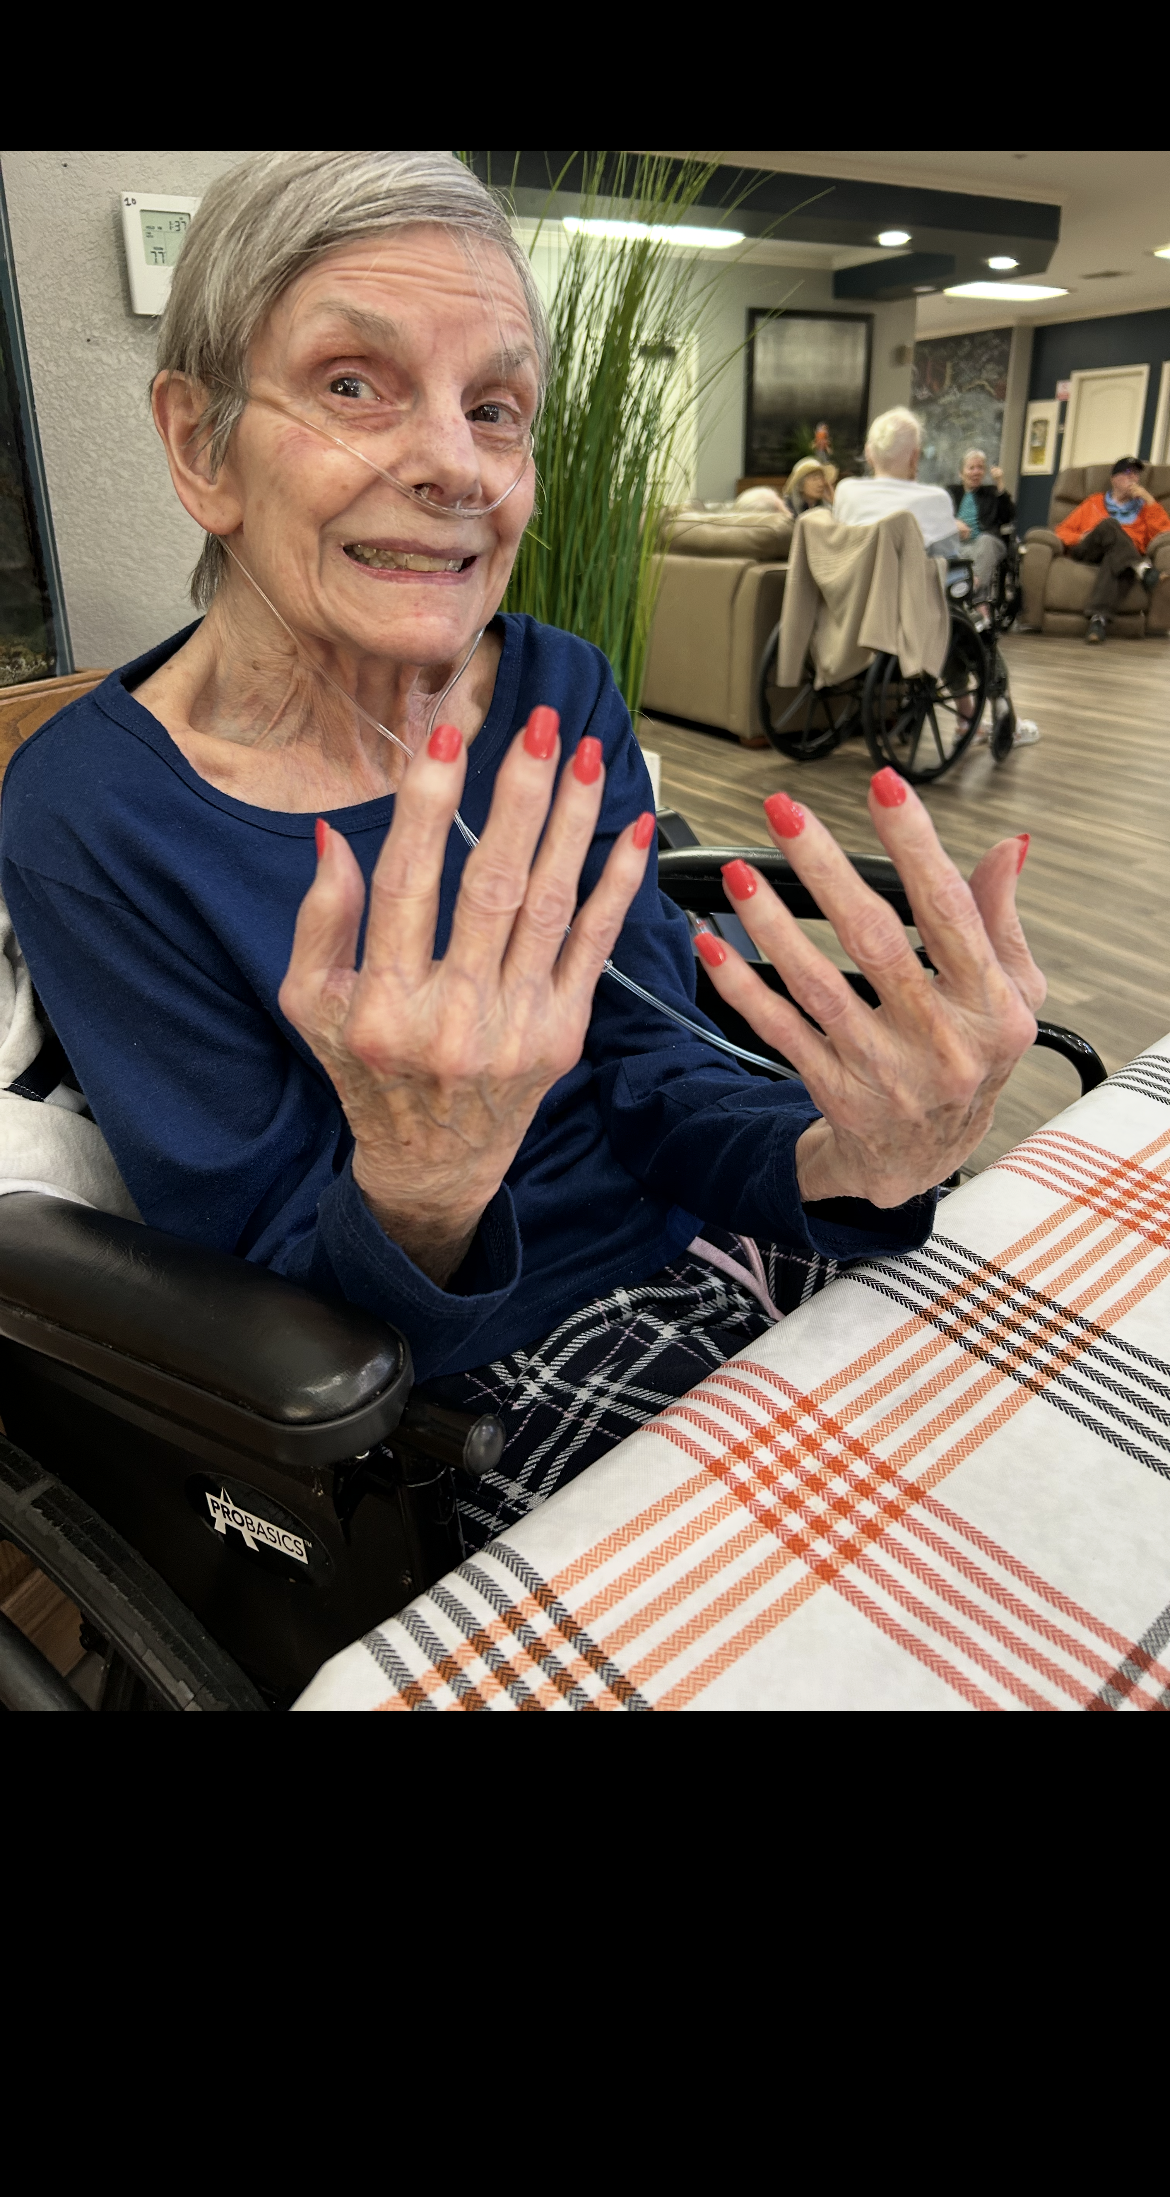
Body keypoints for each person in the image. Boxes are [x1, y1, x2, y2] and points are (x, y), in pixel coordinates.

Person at [0, 151, 1044, 1552]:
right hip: (477, 1381)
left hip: (720, 1236)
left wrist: (843, 1156)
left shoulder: (555, 692)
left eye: (495, 408)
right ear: (202, 447)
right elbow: (269, 1316)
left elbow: (659, 1071)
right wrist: (425, 1180)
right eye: (353, 383)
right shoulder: (94, 815)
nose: (453, 464)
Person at [1054, 456, 1170, 643]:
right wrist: (1081, 537)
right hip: (1089, 551)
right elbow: (1061, 531)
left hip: (1120, 557)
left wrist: (1149, 499)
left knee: (1114, 557)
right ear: (1114, 478)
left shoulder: (1145, 508)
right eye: (1127, 473)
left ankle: (1097, 622)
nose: (1134, 478)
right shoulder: (1094, 502)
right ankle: (1142, 569)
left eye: (1136, 475)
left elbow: (1164, 533)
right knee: (1109, 524)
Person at [831, 407, 962, 555]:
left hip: (856, 578)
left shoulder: (846, 491)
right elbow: (950, 569)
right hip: (910, 578)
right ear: (915, 456)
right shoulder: (936, 499)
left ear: (868, 453)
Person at [945, 449, 1015, 607]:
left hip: (986, 544)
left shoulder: (991, 493)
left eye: (980, 467)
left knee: (985, 541)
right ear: (961, 473)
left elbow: (1008, 516)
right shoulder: (951, 492)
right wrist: (953, 523)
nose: (976, 472)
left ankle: (974, 589)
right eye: (971, 468)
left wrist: (1000, 484)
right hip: (958, 546)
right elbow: (936, 517)